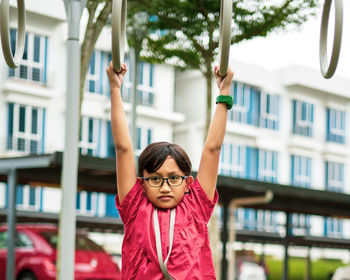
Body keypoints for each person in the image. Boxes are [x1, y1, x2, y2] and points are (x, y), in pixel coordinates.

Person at [106, 61, 234, 280]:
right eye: (155, 179)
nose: (165, 187)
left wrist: (224, 93)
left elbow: (212, 149)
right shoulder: (135, 205)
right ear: (142, 183)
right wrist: (115, 88)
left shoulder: (196, 207)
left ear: (188, 183)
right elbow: (123, 149)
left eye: (173, 178)